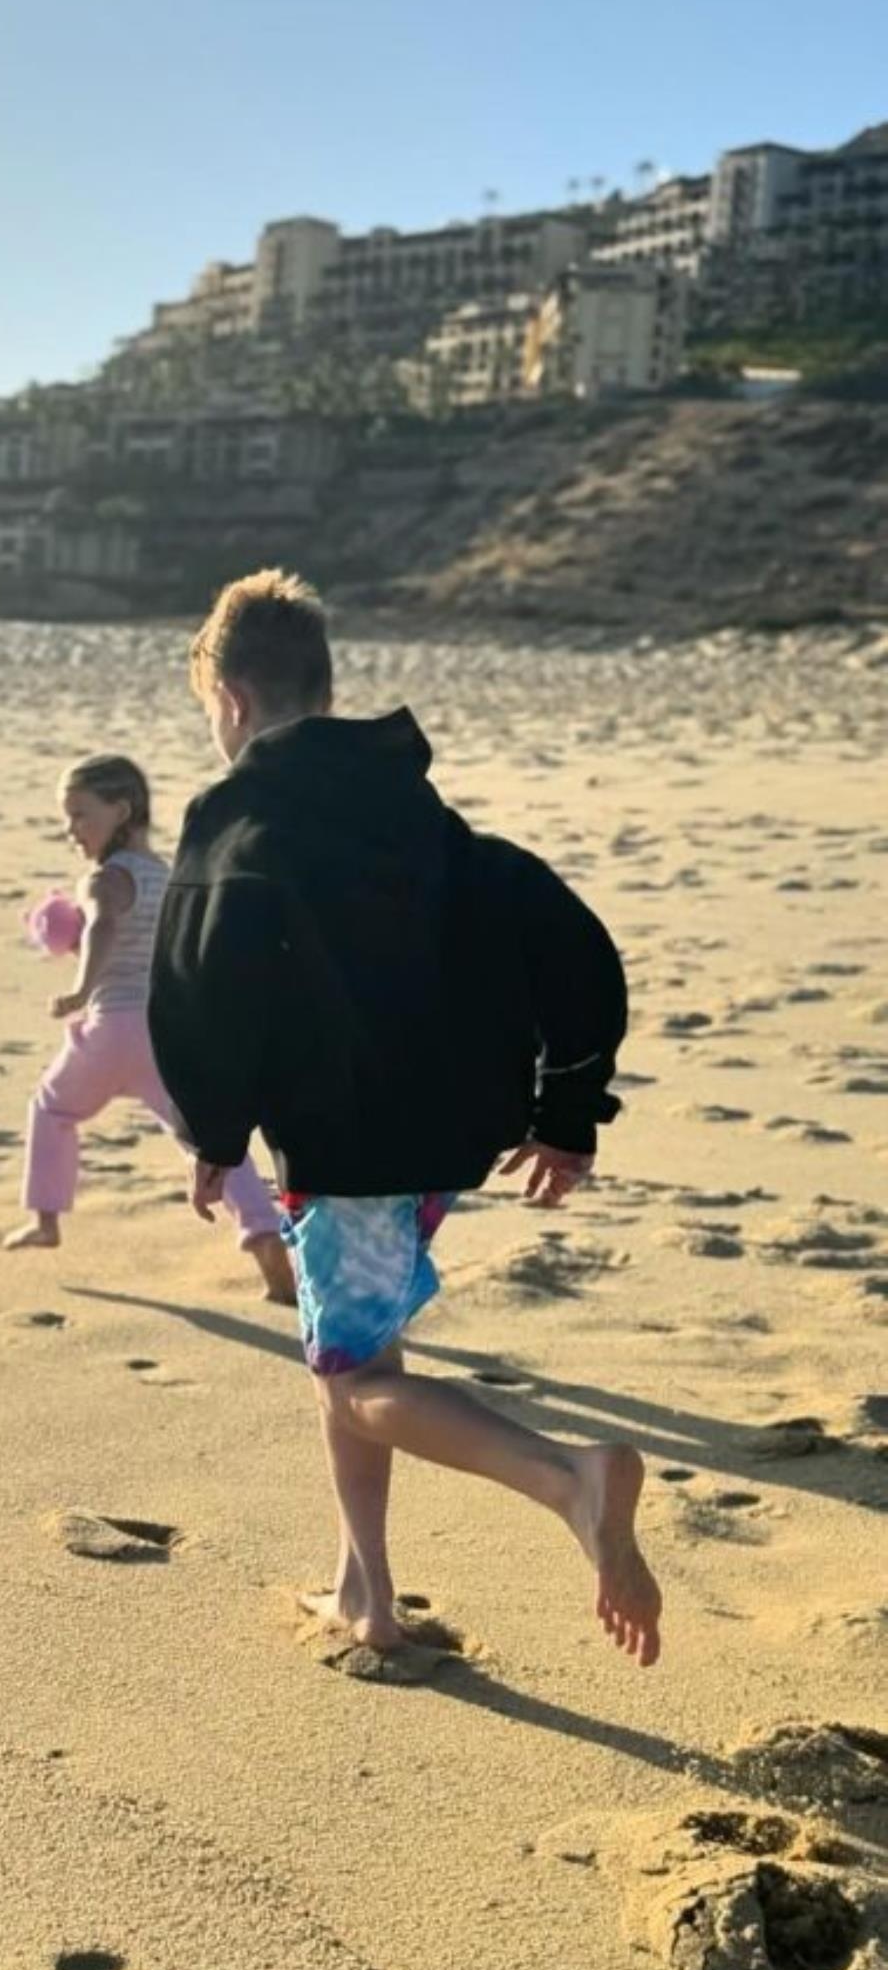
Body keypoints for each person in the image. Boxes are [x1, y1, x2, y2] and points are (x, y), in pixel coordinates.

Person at [147, 571, 662, 1668]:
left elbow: (204, 980)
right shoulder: (415, 810)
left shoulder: (240, 814)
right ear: (323, 687)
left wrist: (213, 1134)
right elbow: (571, 942)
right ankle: (365, 1596)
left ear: (231, 700)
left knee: (358, 1381)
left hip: (350, 1145)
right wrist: (566, 1111)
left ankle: (569, 1479)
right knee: (356, 1346)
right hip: (447, 1132)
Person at [6, 753, 294, 1303]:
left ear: (121, 810)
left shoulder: (105, 879)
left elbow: (103, 926)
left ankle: (46, 1221)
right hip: (168, 1035)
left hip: (113, 1026)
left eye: (79, 815)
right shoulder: (168, 875)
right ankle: (265, 1239)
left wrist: (82, 987)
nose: (71, 830)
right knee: (209, 1146)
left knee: (53, 1108)